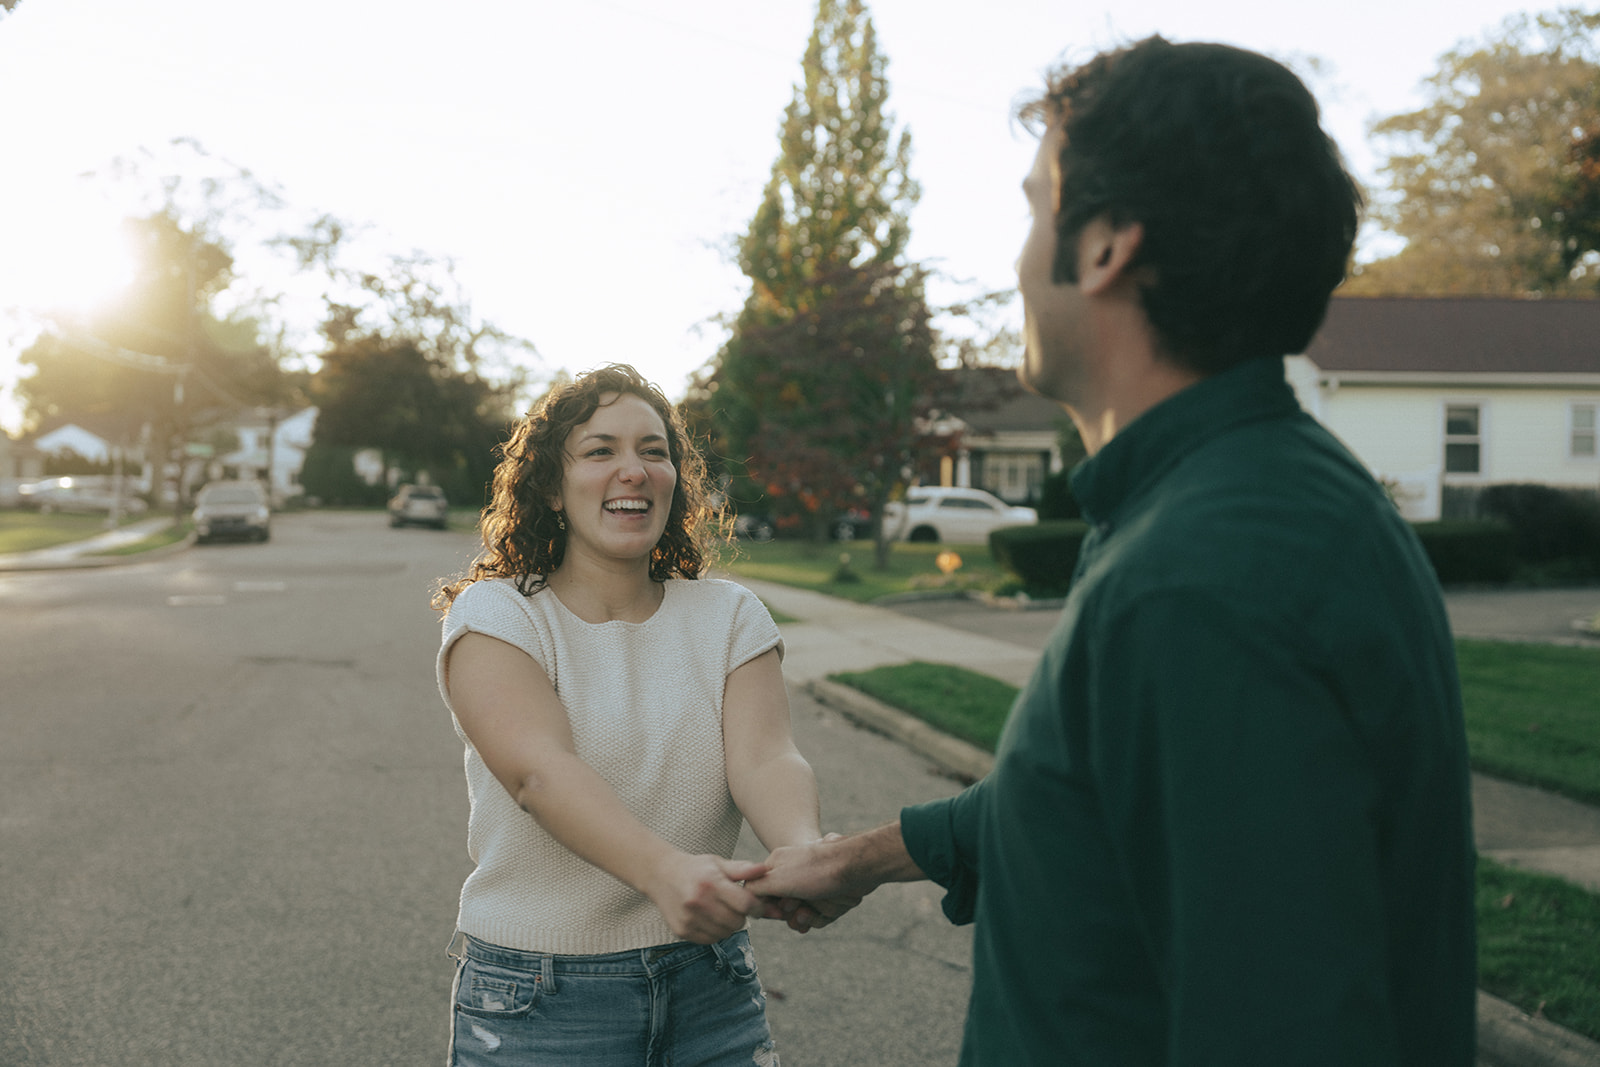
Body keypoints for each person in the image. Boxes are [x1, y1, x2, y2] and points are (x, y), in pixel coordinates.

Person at [749, 37, 1477, 1065]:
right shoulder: (1239, 502)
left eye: (1032, 207)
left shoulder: (1205, 583)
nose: (1014, 260)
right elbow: (1100, 792)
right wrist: (865, 857)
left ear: (1101, 249)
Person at [433, 364, 835, 1066]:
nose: (634, 470)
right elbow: (540, 772)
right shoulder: (497, 615)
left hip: (711, 987)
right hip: (539, 1000)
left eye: (654, 450)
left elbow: (766, 756)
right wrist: (663, 872)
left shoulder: (730, 615)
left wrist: (801, 850)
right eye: (600, 451)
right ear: (552, 488)